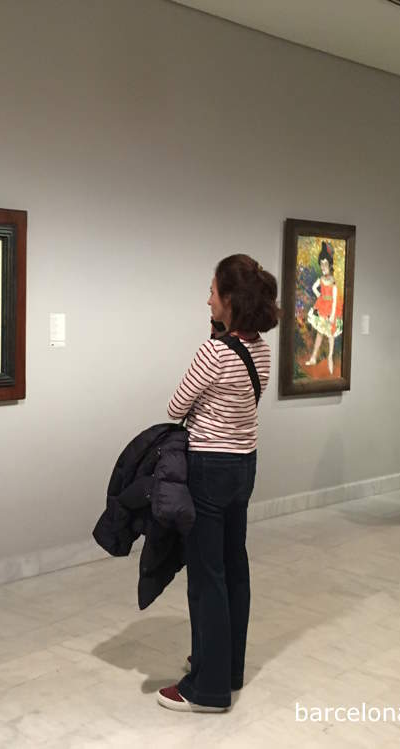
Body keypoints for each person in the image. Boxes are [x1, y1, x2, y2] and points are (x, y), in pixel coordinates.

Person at [157, 254, 279, 713]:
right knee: (234, 567)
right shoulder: (261, 350)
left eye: (212, 291)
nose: (206, 297)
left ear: (229, 301)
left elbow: (175, 405)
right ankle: (227, 667)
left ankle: (206, 689)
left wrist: (214, 341)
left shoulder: (213, 352)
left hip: (208, 467)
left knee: (206, 575)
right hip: (244, 466)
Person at [304, 241, 344, 375]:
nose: (323, 267)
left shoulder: (332, 280)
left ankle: (330, 358)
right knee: (320, 333)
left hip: (330, 310)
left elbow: (334, 298)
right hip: (322, 308)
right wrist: (319, 295)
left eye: (325, 265)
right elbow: (314, 287)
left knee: (330, 334)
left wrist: (333, 314)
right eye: (321, 265)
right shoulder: (321, 278)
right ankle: (314, 357)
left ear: (330, 265)